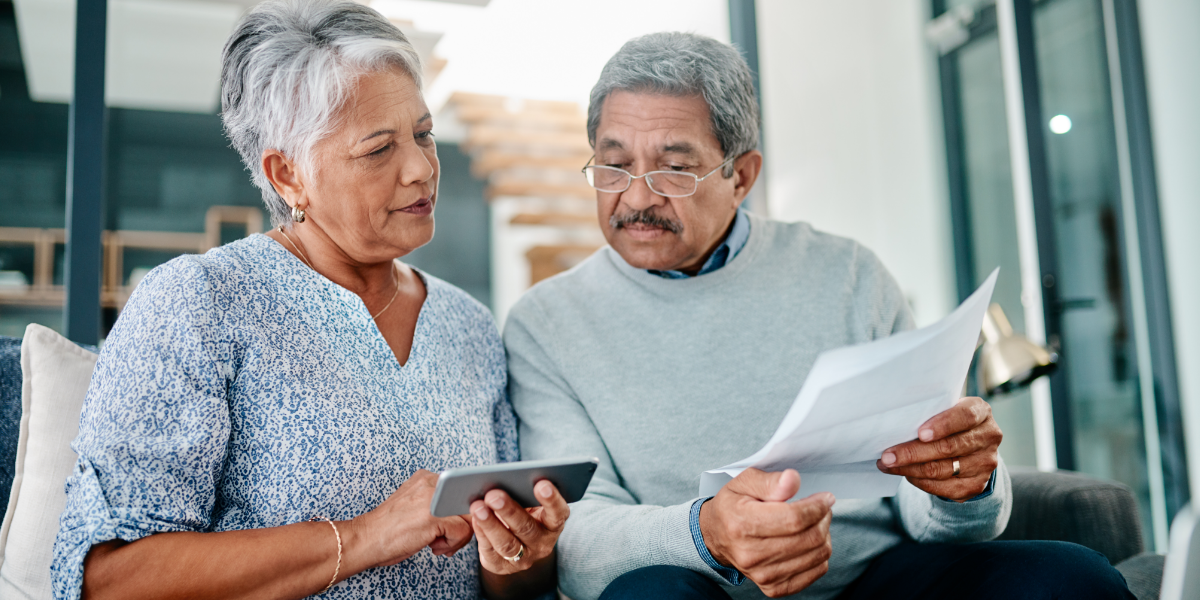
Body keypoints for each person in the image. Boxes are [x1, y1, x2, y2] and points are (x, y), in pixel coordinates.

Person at [504, 32, 1135, 600]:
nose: (636, 197)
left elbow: (929, 512)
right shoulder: (546, 323)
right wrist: (706, 533)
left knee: (1074, 577)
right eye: (614, 164)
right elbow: (576, 543)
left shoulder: (849, 276)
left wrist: (963, 484)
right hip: (697, 587)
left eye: (675, 168)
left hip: (869, 582)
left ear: (742, 176)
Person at [50, 2, 567, 599]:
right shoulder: (199, 303)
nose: (421, 169)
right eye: (378, 150)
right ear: (287, 175)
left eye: (424, 135)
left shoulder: (468, 324)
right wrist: (369, 535)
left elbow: (512, 583)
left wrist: (517, 558)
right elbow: (108, 581)